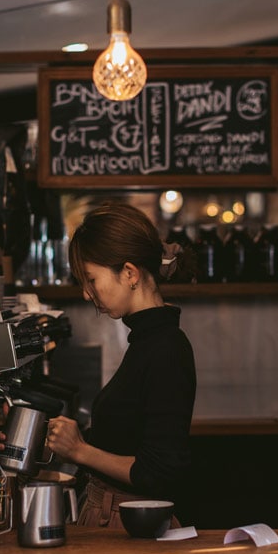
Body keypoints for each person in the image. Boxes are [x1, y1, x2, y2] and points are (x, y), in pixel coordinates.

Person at [44, 201, 197, 528]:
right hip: (118, 518)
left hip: (132, 524)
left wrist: (80, 451)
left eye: (91, 279)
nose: (87, 294)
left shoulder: (167, 348)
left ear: (129, 273)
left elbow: (160, 471)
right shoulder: (147, 341)